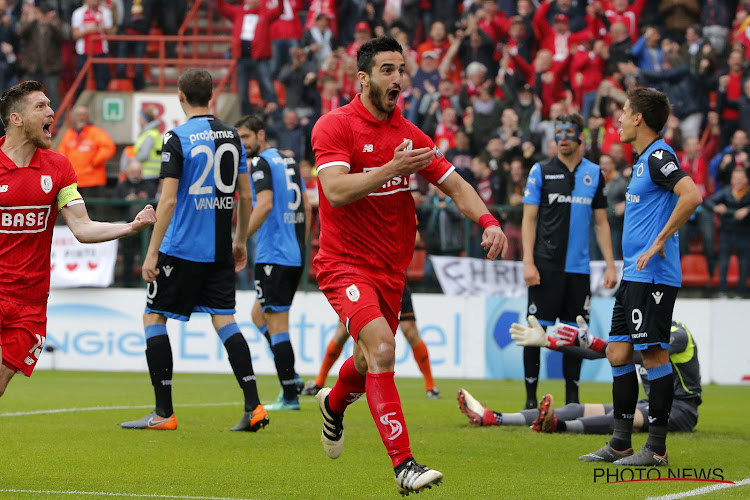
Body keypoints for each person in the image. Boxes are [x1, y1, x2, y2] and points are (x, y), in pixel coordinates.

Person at [310, 36, 508, 495]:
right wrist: (391, 168)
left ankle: (334, 405)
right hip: (344, 263)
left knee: (364, 359)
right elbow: (336, 192)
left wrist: (489, 220)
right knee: (381, 348)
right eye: (387, 70)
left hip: (391, 270)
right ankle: (405, 467)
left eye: (402, 70)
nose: (398, 78)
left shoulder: (410, 135)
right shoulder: (334, 126)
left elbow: (455, 183)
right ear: (363, 79)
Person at [120, 69, 267, 432]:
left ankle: (164, 413)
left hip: (181, 247)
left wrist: (152, 252)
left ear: (181, 95)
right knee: (225, 320)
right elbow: (246, 196)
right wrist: (240, 240)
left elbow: (167, 201)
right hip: (219, 249)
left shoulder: (177, 137)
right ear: (212, 95)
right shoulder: (233, 136)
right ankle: (254, 406)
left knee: (154, 317)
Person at [0, 80, 155, 399]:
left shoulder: (59, 168)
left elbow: (82, 228)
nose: (52, 112)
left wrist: (130, 227)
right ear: (17, 119)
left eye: (49, 104)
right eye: (40, 107)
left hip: (30, 302)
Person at [579, 87, 702, 466]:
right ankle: (620, 443)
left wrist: (660, 240)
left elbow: (692, 195)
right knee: (618, 351)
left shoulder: (660, 155)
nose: (617, 118)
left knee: (653, 353)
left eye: (624, 111)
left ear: (638, 119)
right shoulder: (644, 159)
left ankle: (657, 448)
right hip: (635, 275)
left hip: (653, 276)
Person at [521, 112, 618, 410]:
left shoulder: (594, 173)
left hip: (578, 270)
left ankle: (572, 400)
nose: (562, 137)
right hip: (545, 267)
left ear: (580, 137)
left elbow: (601, 223)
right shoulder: (540, 171)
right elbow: (528, 219)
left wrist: (611, 264)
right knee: (535, 332)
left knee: (576, 336)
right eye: (558, 132)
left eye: (568, 132)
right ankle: (529, 400)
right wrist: (528, 262)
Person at [458, 318, 701, 436]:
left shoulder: (677, 334)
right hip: (649, 404)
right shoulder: (640, 331)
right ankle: (494, 418)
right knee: (574, 407)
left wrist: (595, 342)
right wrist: (551, 343)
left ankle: (557, 426)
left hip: (680, 409)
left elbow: (638, 355)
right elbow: (604, 354)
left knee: (618, 416)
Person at [235, 114, 311, 411]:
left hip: (274, 256)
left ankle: (290, 395)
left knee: (278, 327)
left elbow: (264, 204)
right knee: (258, 315)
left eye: (246, 138)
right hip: (292, 253)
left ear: (261, 135)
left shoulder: (260, 164)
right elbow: (305, 206)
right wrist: (300, 247)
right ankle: (290, 374)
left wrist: (239, 239)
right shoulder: (289, 161)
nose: (242, 145)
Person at [301, 283, 442, 399]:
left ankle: (430, 386)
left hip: (393, 283)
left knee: (410, 332)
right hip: (362, 284)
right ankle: (319, 382)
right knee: (342, 332)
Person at [56, 105, 116, 218]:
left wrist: (95, 162)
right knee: (74, 215)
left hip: (93, 181)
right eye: (79, 114)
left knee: (95, 214)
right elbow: (61, 153)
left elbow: (108, 147)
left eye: (84, 114)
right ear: (73, 117)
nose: (81, 117)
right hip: (73, 183)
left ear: (88, 117)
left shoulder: (96, 132)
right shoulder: (69, 134)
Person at [704, 167, 750, 298]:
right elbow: (708, 201)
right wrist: (716, 207)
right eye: (736, 179)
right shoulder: (726, 192)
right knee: (723, 262)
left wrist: (747, 209)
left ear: (746, 179)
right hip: (727, 232)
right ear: (731, 180)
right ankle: (722, 290)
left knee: (744, 263)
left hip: (745, 233)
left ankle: (741, 292)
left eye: (741, 179)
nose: (738, 182)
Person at [113, 159, 158, 287]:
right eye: (133, 171)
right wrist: (126, 200)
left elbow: (156, 200)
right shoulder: (122, 186)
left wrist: (145, 198)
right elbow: (114, 202)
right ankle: (128, 285)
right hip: (127, 226)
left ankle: (147, 284)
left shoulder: (148, 185)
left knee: (147, 255)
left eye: (138, 171)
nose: (135, 174)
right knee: (128, 257)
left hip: (145, 229)